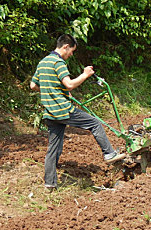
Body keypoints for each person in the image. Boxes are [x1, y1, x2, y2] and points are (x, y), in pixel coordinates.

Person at [30, 34, 125, 190]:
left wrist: (53, 90)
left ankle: (50, 184)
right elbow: (69, 84)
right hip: (63, 110)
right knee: (94, 123)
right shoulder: (58, 62)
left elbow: (33, 86)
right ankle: (109, 154)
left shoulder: (43, 62)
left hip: (50, 113)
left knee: (53, 148)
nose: (71, 55)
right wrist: (85, 74)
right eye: (71, 51)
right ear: (65, 46)